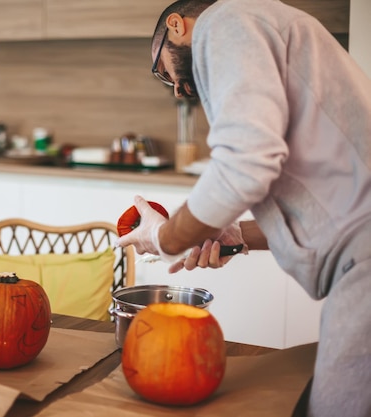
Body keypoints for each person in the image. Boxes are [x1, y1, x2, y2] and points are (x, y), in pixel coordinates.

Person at [115, 0, 371, 416]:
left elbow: (244, 162)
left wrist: (163, 239)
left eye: (164, 72)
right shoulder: (267, 32)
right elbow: (326, 212)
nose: (177, 90)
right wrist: (236, 234)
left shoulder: (225, 22)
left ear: (177, 26)